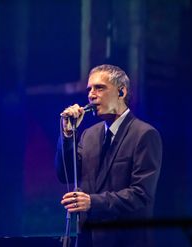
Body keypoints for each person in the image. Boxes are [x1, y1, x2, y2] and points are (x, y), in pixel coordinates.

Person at [55, 64, 162, 247]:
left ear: (121, 92)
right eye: (89, 89)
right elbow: (65, 175)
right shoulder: (88, 135)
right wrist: (68, 135)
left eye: (100, 88)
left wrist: (92, 202)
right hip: (89, 240)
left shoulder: (144, 134)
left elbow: (141, 194)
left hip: (126, 241)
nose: (91, 95)